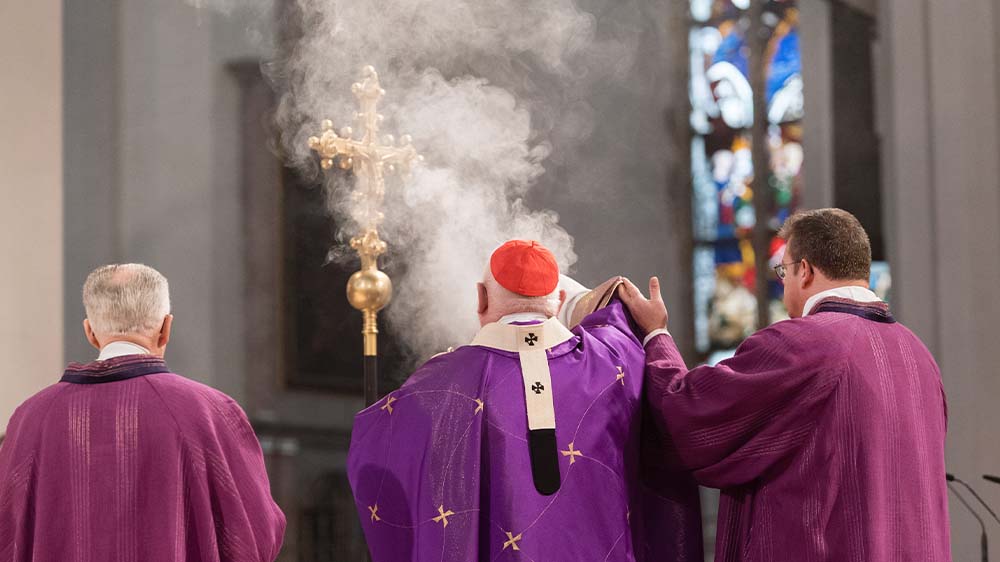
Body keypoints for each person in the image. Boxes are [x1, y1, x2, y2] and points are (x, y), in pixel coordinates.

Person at [620, 208, 951, 561]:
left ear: (805, 270)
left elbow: (688, 415)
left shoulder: (804, 345)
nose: (783, 284)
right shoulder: (919, 357)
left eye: (783, 271)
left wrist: (656, 335)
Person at [347, 239, 702, 562]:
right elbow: (618, 316)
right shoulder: (615, 360)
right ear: (560, 300)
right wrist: (652, 326)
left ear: (481, 298)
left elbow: (378, 447)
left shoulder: (440, 385)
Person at [0, 263, 286, 562]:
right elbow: (257, 534)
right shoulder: (210, 413)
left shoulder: (30, 419)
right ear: (166, 328)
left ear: (90, 332)